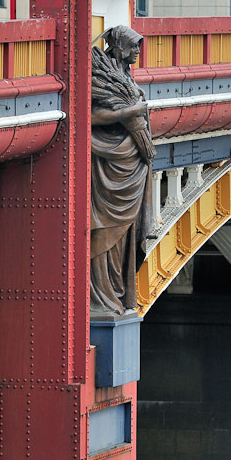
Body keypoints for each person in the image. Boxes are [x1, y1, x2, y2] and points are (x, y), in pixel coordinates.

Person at [89, 26, 155, 315]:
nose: (138, 52)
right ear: (119, 47)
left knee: (125, 236)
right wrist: (126, 114)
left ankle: (116, 293)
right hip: (111, 167)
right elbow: (89, 115)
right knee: (106, 233)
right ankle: (102, 296)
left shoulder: (124, 76)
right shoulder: (101, 76)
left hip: (131, 166)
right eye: (134, 47)